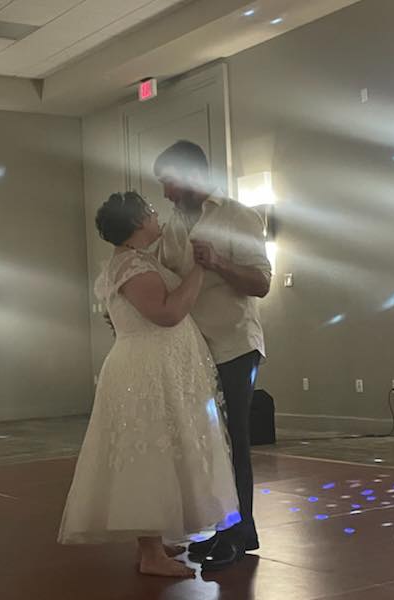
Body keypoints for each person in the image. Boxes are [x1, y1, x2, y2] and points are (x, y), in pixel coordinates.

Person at [58, 191, 239, 578]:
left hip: (156, 367)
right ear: (139, 222)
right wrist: (200, 271)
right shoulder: (131, 266)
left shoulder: (136, 262)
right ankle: (150, 554)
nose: (158, 217)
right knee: (148, 453)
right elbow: (167, 313)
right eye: (152, 212)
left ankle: (154, 540)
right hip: (146, 372)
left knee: (161, 451)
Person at [155, 140, 272, 572]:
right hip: (192, 349)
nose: (165, 194)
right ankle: (227, 529)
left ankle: (237, 535)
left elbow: (261, 283)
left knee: (232, 440)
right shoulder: (172, 225)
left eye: (168, 183)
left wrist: (220, 261)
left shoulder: (238, 216)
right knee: (206, 443)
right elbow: (166, 278)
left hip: (235, 345)